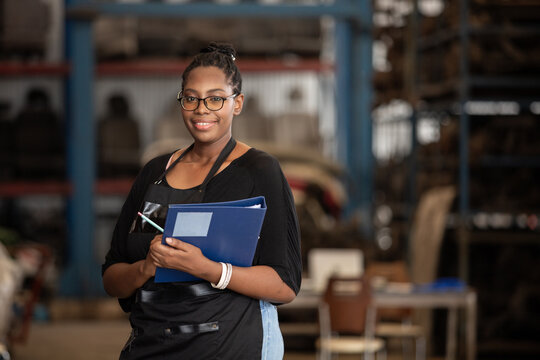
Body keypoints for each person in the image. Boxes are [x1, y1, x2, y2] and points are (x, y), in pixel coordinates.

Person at [102, 42, 302, 360]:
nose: (202, 110)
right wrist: (145, 268)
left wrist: (208, 269)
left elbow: (284, 284)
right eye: (191, 98)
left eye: (216, 99)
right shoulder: (155, 172)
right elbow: (112, 277)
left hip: (230, 347)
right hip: (153, 344)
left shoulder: (259, 171)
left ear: (237, 103)